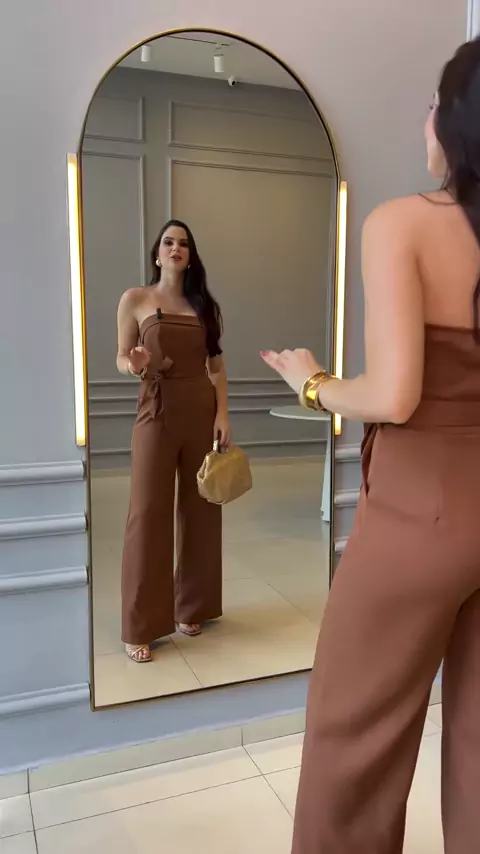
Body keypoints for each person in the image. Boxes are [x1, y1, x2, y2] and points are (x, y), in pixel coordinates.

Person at [262, 36, 480, 854]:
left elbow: (393, 396)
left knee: (353, 740)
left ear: (456, 122)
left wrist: (313, 382)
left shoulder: (402, 224)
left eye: (434, 102)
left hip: (422, 517)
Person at [117, 220, 230, 663]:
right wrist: (136, 363)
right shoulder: (135, 299)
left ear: (190, 256)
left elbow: (216, 367)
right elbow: (121, 358)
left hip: (200, 409)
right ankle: (141, 624)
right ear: (157, 253)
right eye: (168, 242)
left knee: (202, 509)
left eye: (183, 243)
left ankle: (192, 606)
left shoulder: (204, 307)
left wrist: (223, 414)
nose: (175, 248)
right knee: (147, 513)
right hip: (156, 409)